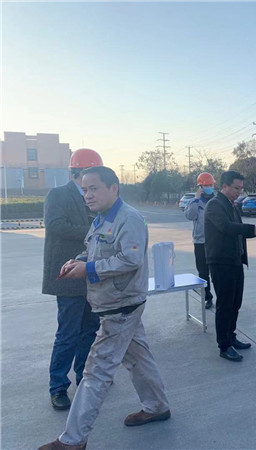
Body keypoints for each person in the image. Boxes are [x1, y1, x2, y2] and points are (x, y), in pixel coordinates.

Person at [39, 167, 170, 450]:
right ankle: (157, 406)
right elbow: (94, 250)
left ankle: (73, 440)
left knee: (95, 372)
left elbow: (130, 260)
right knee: (138, 358)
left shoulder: (129, 218)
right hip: (114, 302)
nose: (87, 195)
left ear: (114, 188)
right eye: (85, 190)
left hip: (121, 306)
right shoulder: (100, 219)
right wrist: (79, 260)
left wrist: (88, 270)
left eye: (94, 188)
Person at [42, 148, 102, 411]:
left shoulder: (93, 197)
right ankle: (57, 387)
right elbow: (55, 225)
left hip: (90, 274)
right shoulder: (59, 195)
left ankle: (84, 377)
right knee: (68, 333)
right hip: (67, 275)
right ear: (80, 172)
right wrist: (93, 231)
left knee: (90, 328)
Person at [204, 171, 256, 362]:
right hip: (221, 262)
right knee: (225, 304)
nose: (239, 192)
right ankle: (224, 345)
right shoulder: (215, 205)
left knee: (235, 303)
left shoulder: (231, 205)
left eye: (241, 189)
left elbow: (237, 230)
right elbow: (226, 227)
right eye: (236, 188)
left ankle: (231, 336)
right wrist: (251, 230)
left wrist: (255, 230)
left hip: (235, 261)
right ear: (224, 186)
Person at [184, 172, 216, 309]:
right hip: (200, 242)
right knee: (203, 273)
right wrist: (196, 200)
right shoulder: (194, 202)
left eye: (210, 185)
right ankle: (207, 297)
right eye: (206, 186)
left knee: (217, 272)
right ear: (200, 187)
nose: (209, 187)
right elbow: (190, 216)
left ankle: (222, 297)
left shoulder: (217, 200)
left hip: (215, 242)